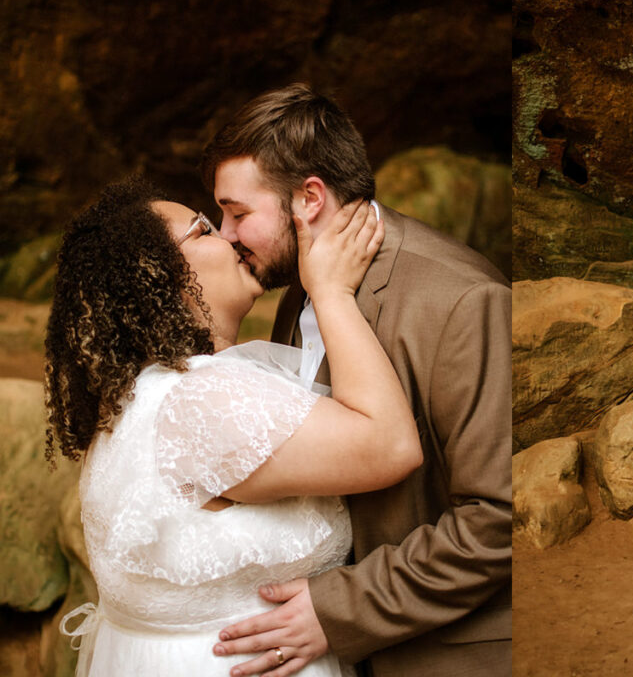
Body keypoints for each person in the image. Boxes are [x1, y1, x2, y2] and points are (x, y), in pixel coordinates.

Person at [47, 179, 422, 675]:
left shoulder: (150, 392)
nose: (229, 237)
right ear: (156, 276)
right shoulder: (199, 403)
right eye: (203, 230)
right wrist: (333, 293)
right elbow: (390, 445)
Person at [199, 84, 512, 677]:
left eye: (238, 213)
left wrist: (342, 609)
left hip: (442, 658)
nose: (226, 235)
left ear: (309, 198)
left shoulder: (465, 301)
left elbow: (498, 518)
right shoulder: (301, 288)